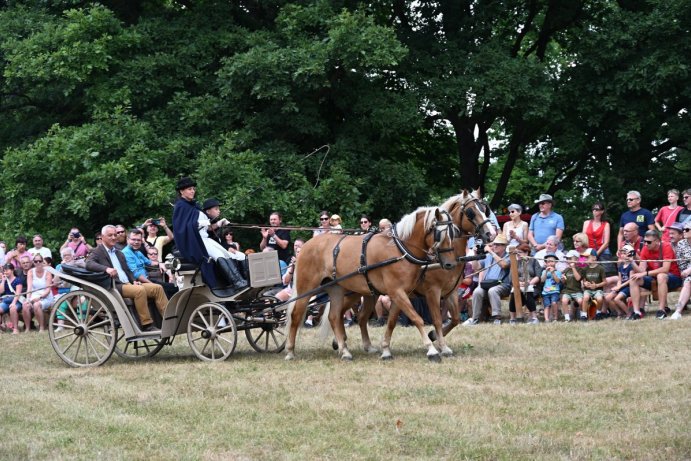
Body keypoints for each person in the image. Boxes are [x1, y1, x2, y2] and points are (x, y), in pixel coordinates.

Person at [86, 225, 168, 331]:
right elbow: (88, 264)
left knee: (157, 288)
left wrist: (134, 281)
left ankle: (168, 319)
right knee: (140, 290)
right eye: (110, 235)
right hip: (115, 286)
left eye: (115, 235)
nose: (113, 237)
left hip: (128, 284)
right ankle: (147, 324)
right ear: (102, 237)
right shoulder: (97, 251)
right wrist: (106, 269)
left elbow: (128, 271)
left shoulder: (119, 253)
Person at [173, 177, 247, 292]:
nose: (192, 191)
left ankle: (242, 280)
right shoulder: (180, 207)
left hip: (205, 239)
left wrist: (218, 223)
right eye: (189, 189)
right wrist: (198, 223)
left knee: (227, 254)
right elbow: (182, 229)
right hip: (196, 242)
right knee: (218, 255)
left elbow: (207, 228)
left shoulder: (195, 206)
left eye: (193, 189)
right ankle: (237, 282)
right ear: (181, 191)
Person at [628, 230, 682, 320]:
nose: (645, 244)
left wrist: (646, 273)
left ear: (657, 241)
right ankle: (637, 312)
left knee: (661, 276)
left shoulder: (666, 246)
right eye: (644, 241)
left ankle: (662, 310)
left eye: (648, 242)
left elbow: (665, 269)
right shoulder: (645, 248)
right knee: (633, 278)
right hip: (654, 278)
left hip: (673, 277)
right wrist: (632, 261)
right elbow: (641, 270)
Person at [463, 234, 511, 325]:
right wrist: (475, 255)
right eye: (494, 244)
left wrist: (491, 252)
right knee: (477, 291)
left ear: (504, 246)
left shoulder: (508, 256)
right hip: (487, 284)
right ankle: (475, 318)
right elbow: (476, 267)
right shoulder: (488, 256)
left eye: (497, 244)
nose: (494, 246)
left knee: (493, 291)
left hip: (503, 285)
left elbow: (504, 265)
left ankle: (497, 317)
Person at [122, 229, 178, 299]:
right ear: (128, 239)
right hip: (138, 282)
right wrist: (150, 283)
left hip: (146, 278)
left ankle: (174, 308)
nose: (136, 242)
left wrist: (160, 263)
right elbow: (136, 274)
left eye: (138, 240)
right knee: (164, 289)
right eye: (133, 239)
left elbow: (150, 262)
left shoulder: (137, 252)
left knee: (173, 287)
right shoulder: (126, 253)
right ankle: (167, 308)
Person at [507, 243, 540, 324]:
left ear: (526, 252)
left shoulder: (534, 261)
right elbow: (511, 277)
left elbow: (538, 276)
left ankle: (534, 318)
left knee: (527, 292)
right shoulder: (515, 262)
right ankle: (513, 319)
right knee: (515, 293)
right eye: (516, 252)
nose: (517, 254)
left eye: (520, 252)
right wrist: (518, 283)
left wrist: (529, 283)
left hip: (532, 285)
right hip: (517, 285)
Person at [604, 245, 636, 319]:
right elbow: (619, 280)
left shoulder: (631, 266)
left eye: (625, 253)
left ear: (630, 254)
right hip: (621, 286)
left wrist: (620, 286)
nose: (622, 255)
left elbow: (630, 280)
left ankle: (629, 313)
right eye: (622, 253)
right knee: (608, 298)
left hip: (628, 287)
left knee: (617, 299)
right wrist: (617, 287)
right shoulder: (620, 267)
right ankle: (620, 312)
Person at [25, 254, 54, 332]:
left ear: (42, 262)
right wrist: (28, 299)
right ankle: (27, 328)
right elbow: (29, 288)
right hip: (34, 295)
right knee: (25, 305)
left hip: (46, 296)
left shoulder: (48, 273)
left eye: (40, 261)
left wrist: (40, 297)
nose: (38, 263)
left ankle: (41, 327)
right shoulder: (30, 272)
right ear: (33, 262)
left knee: (36, 305)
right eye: (35, 261)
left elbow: (48, 290)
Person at [669, 223, 691, 319]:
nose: (684, 231)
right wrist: (686, 271)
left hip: (689, 272)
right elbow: (680, 263)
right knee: (688, 281)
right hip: (687, 275)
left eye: (687, 229)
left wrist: (689, 270)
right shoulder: (681, 244)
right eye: (683, 230)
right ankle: (678, 312)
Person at [580, 249, 607, 320]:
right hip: (588, 290)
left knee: (599, 299)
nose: (585, 259)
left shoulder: (600, 268)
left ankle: (598, 313)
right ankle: (584, 315)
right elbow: (584, 280)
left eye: (587, 257)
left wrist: (596, 285)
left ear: (594, 258)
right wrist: (585, 284)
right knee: (585, 298)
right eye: (585, 257)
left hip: (598, 289)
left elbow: (605, 282)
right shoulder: (585, 269)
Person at [0, 263, 25, 334]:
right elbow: (1, 291)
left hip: (16, 301)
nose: (5, 272)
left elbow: (18, 293)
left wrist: (13, 303)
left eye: (7, 270)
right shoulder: (4, 280)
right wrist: (3, 281)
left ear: (12, 270)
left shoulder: (18, 280)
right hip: (6, 301)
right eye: (4, 271)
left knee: (13, 308)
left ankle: (15, 329)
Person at [560, 250, 584, 322]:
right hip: (567, 291)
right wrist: (563, 279)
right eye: (567, 259)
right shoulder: (566, 270)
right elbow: (564, 282)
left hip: (577, 291)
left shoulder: (579, 269)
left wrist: (573, 268)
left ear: (576, 259)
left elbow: (578, 278)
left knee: (580, 301)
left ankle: (583, 315)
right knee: (564, 301)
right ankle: (567, 318)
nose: (568, 260)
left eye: (570, 258)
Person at [540, 253, 563, 322]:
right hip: (546, 292)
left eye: (552, 261)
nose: (549, 263)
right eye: (548, 262)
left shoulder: (558, 272)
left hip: (555, 291)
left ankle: (555, 318)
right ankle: (546, 319)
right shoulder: (544, 271)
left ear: (555, 262)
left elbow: (558, 281)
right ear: (546, 263)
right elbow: (542, 280)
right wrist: (546, 272)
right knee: (546, 305)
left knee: (554, 303)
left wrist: (553, 273)